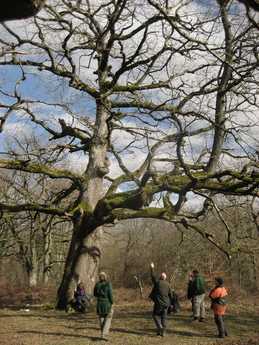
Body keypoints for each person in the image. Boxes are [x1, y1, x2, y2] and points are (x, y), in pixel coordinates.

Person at [149, 262, 172, 337]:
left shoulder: (157, 283)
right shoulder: (168, 284)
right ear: (165, 278)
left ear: (160, 277)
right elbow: (171, 295)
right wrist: (170, 304)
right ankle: (163, 332)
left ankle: (160, 328)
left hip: (159, 303)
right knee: (164, 318)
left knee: (155, 315)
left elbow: (153, 277)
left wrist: (152, 268)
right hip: (166, 304)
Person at [94, 272, 113, 341]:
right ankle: (104, 335)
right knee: (108, 319)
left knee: (101, 318)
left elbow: (94, 294)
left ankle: (103, 333)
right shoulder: (108, 284)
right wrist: (112, 302)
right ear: (105, 277)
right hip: (107, 303)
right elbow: (110, 294)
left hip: (99, 303)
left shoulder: (97, 284)